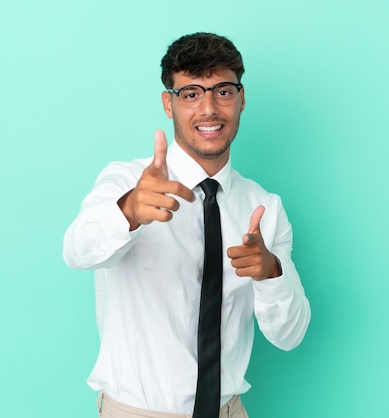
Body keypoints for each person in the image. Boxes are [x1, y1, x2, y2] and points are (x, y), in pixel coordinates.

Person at [63, 32, 310, 418]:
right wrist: (128, 211)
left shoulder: (265, 207)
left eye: (223, 92)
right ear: (169, 103)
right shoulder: (127, 181)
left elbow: (290, 336)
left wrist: (271, 273)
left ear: (242, 99)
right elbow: (77, 251)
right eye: (191, 93)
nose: (209, 109)